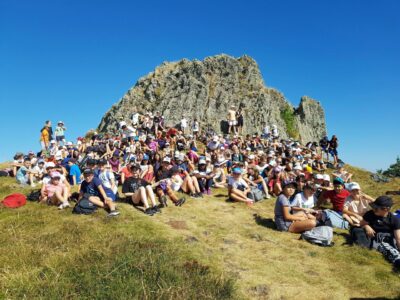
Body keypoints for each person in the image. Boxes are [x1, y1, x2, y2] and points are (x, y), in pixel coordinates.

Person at [354, 196, 400, 269]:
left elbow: (398, 238)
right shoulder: (370, 214)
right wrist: (367, 226)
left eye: (376, 208)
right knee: (386, 248)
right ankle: (397, 260)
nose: (373, 209)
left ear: (386, 209)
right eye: (373, 207)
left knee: (395, 243)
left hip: (391, 237)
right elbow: (361, 224)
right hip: (377, 238)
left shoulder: (394, 219)